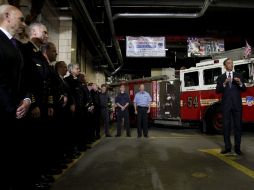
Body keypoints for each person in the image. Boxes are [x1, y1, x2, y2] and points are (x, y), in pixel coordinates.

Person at [0, 4, 30, 189]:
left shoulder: (14, 44)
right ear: (7, 16)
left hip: (17, 110)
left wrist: (27, 99)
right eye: (20, 19)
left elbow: (22, 78)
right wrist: (13, 109)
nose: (23, 24)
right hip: (5, 112)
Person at [216, 58, 246, 155]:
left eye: (232, 63)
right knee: (226, 127)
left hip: (237, 105)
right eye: (229, 63)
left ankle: (237, 148)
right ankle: (227, 147)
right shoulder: (221, 77)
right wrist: (224, 83)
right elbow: (217, 91)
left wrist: (240, 83)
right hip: (226, 106)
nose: (231, 65)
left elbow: (244, 89)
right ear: (225, 66)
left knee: (238, 126)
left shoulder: (239, 75)